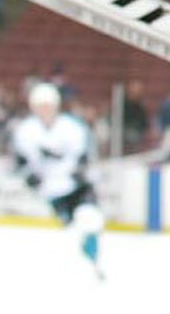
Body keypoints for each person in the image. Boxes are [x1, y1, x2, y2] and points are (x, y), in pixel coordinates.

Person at [10, 80, 109, 282]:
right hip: (53, 192)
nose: (45, 110)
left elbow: (85, 156)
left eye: (48, 105)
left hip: (77, 187)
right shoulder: (26, 131)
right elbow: (20, 163)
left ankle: (96, 263)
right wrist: (31, 179)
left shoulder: (72, 127)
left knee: (90, 220)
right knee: (74, 233)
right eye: (41, 106)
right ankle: (90, 265)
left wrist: (80, 172)